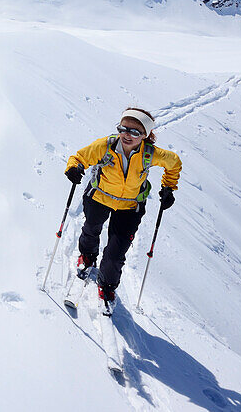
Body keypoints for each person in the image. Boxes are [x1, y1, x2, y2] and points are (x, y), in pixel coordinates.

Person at [64, 107, 181, 310]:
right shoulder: (106, 146)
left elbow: (174, 163)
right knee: (91, 229)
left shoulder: (151, 154)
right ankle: (88, 256)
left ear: (145, 135)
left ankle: (107, 284)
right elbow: (80, 157)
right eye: (124, 128)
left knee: (116, 251)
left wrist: (168, 187)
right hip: (99, 196)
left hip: (130, 206)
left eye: (135, 132)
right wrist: (73, 168)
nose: (127, 135)